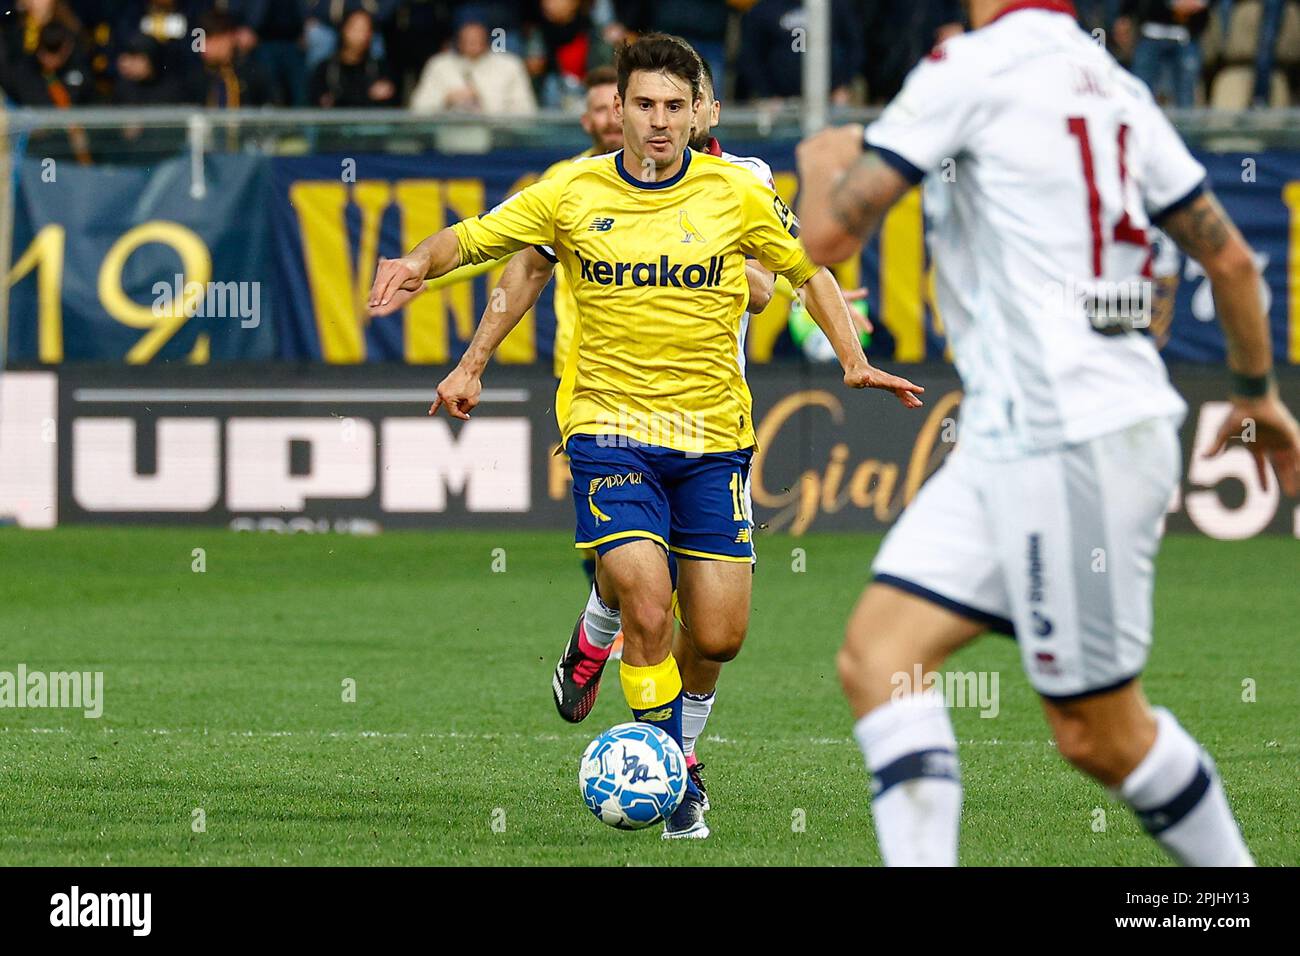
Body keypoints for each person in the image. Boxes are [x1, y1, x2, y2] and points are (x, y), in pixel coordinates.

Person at [370, 32, 924, 840]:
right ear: (616, 111)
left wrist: (852, 359)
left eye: (673, 107)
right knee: (648, 601)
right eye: (644, 106)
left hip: (712, 437)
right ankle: (669, 770)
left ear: (697, 113)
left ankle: (665, 728)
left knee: (721, 635)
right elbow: (482, 238)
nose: (659, 121)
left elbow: (807, 271)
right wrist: (421, 264)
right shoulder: (570, 190)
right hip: (608, 428)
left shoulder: (734, 193)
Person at [796, 0, 1300, 866]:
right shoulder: (1114, 84)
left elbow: (830, 236)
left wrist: (820, 165)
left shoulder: (966, 67)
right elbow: (1230, 259)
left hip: (1073, 436)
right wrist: (1257, 394)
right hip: (1017, 435)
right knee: (878, 659)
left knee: (1099, 735)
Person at [408, 4, 536, 115]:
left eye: (477, 30)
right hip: (448, 139)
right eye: (467, 31)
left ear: (487, 34)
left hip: (499, 138)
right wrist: (446, 99)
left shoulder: (509, 65)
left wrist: (485, 101)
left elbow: (526, 111)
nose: (472, 36)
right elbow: (417, 110)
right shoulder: (439, 65)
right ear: (458, 35)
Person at [309, 7, 396, 108]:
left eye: (367, 29)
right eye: (357, 28)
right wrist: (368, 96)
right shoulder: (325, 69)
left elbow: (389, 101)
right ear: (344, 30)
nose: (363, 34)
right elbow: (320, 102)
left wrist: (340, 98)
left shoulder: (380, 68)